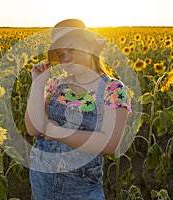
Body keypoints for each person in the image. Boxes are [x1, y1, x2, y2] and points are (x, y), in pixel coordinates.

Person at [25, 19, 131, 200]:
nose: (65, 58)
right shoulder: (55, 84)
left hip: (81, 188)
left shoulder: (113, 89)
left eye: (71, 49)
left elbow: (109, 143)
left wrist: (55, 131)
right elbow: (34, 128)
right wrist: (38, 82)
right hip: (42, 179)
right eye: (60, 53)